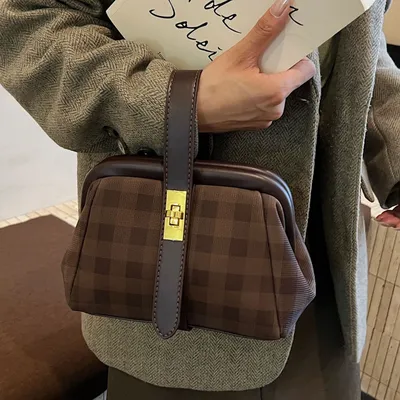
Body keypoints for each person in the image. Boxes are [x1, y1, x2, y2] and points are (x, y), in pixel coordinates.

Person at [1, 0, 399, 398]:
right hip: (177, 287)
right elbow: (26, 20)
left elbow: (361, 43)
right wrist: (170, 100)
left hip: (330, 275)